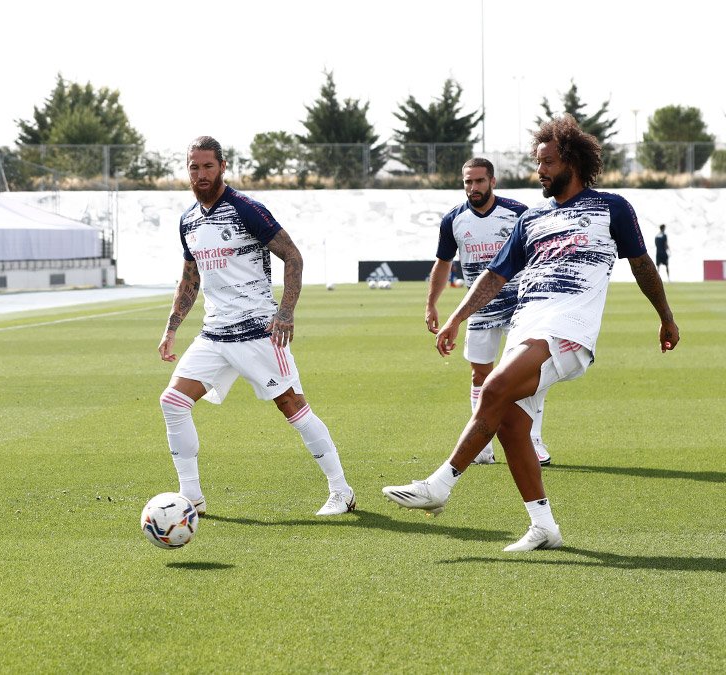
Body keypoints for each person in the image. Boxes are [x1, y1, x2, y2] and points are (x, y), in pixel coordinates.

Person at [383, 115, 679, 552]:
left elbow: (641, 265)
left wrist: (666, 316)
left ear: (572, 162)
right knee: (510, 425)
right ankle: (543, 527)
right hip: (528, 327)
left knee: (494, 386)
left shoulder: (611, 207)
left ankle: (440, 484)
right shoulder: (531, 218)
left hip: (569, 330)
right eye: (537, 162)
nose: (537, 171)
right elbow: (495, 276)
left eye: (546, 162)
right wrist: (455, 318)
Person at [157, 136, 354, 517]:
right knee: (173, 402)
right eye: (193, 167)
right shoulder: (189, 221)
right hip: (214, 335)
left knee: (292, 406)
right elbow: (190, 278)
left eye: (207, 166)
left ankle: (341, 491)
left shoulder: (247, 209)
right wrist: (171, 328)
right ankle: (192, 497)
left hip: (257, 332)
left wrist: (286, 312)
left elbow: (292, 256)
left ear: (223, 167)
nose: (200, 174)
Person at [426, 158, 551, 466]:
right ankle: (482, 443)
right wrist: (431, 304)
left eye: (479, 181)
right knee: (479, 373)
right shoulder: (453, 220)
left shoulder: (519, 213)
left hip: (519, 308)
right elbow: (442, 264)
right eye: (468, 182)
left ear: (493, 182)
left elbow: (541, 255)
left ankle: (533, 438)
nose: (473, 187)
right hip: (479, 310)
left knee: (525, 374)